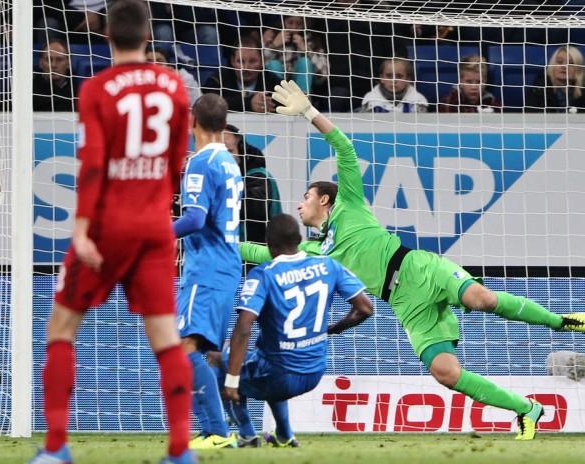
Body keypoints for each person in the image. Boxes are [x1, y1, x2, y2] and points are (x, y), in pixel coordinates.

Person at [241, 79, 585, 441]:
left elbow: (344, 149)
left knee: (481, 299)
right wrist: (210, 240)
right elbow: (257, 252)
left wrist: (310, 112)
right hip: (405, 303)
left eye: (306, 196)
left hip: (418, 266)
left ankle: (562, 322)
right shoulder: (310, 251)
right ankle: (527, 410)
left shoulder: (349, 205)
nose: (299, 204)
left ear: (325, 200)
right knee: (445, 372)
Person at [30, 0, 195, 464]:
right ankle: (181, 452)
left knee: (61, 328)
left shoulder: (97, 88)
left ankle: (57, 448)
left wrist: (82, 230)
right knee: (166, 338)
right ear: (149, 37)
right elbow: (174, 164)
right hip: (155, 226)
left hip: (109, 226)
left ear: (106, 37)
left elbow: (94, 166)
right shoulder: (175, 87)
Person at [213, 213, 373, 448]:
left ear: (269, 245)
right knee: (260, 359)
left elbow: (244, 328)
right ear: (299, 238)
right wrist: (330, 330)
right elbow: (365, 309)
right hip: (314, 372)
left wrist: (232, 380)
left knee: (216, 359)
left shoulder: (263, 274)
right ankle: (285, 435)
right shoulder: (328, 265)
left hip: (278, 375)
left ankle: (247, 434)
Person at [172, 93, 244, 450]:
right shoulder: (230, 161)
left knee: (184, 347)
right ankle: (231, 430)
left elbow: (195, 219)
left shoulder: (201, 162)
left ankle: (217, 431)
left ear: (191, 120)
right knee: (207, 351)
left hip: (207, 267)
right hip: (224, 264)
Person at [223, 124, 281, 244]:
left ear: (242, 150)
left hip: (254, 256)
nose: (223, 157)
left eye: (229, 151)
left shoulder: (259, 176)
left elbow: (254, 207)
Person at [203, 38, 279, 113]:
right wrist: (249, 103)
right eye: (240, 61)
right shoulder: (217, 80)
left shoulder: (274, 83)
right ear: (232, 61)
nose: (245, 68)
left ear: (263, 61)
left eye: (252, 61)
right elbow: (209, 104)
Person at [262, 15, 328, 94]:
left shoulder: (313, 40)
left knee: (304, 62)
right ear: (283, 22)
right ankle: (277, 101)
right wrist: (274, 45)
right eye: (290, 23)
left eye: (299, 24)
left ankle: (302, 102)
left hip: (303, 85)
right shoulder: (272, 36)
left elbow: (323, 74)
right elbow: (259, 64)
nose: (294, 27)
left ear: (304, 24)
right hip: (278, 84)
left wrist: (306, 50)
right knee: (274, 64)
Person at [525, 45, 585, 112]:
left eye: (571, 63)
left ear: (579, 69)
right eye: (559, 62)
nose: (564, 66)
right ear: (552, 65)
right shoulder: (538, 90)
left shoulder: (583, 93)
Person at [360, 58, 428, 113]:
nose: (394, 81)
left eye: (399, 76)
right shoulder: (370, 101)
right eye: (389, 76)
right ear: (381, 78)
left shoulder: (418, 101)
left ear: (408, 79)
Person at [33, 39, 76, 112]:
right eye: (48, 60)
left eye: (59, 60)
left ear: (69, 63)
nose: (53, 65)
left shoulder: (78, 90)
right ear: (40, 63)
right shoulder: (30, 90)